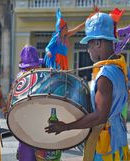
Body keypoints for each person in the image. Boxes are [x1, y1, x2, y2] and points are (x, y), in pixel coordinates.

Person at [45, 12, 130, 161]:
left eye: (89, 44)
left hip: (106, 146)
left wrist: (65, 126)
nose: (87, 49)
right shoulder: (121, 68)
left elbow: (100, 116)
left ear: (98, 43)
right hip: (119, 139)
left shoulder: (105, 75)